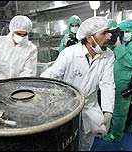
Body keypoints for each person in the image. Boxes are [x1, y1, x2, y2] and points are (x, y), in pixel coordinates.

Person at [41, 16, 115, 151]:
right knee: (67, 141)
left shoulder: (108, 55)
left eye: (108, 32)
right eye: (104, 33)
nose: (109, 36)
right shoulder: (69, 54)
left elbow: (107, 84)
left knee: (86, 142)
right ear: (89, 38)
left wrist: (108, 110)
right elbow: (50, 76)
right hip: (67, 106)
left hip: (89, 105)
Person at [102, 19, 132, 142]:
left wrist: (119, 46)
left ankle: (115, 136)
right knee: (111, 109)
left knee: (119, 112)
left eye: (127, 31)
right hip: (114, 81)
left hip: (124, 82)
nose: (124, 34)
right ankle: (111, 129)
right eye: (122, 32)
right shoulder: (125, 42)